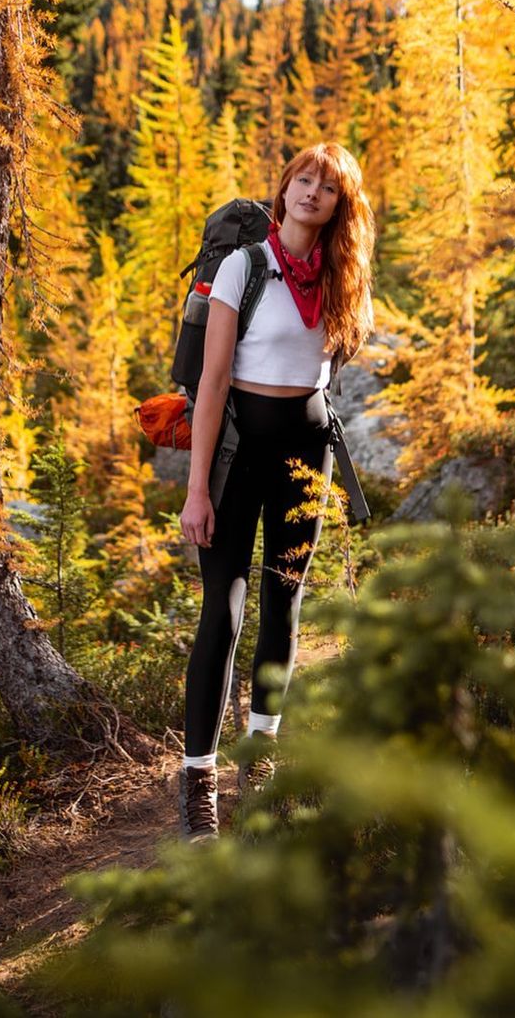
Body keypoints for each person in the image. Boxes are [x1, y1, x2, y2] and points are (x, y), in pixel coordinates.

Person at [177, 142, 376, 840]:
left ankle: (258, 765)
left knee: (283, 606)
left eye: (326, 187)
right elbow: (210, 383)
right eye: (303, 179)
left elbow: (334, 359)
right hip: (236, 454)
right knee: (222, 617)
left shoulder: (346, 278)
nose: (311, 192)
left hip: (307, 451)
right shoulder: (244, 264)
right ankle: (198, 781)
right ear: (284, 186)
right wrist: (196, 488)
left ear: (338, 205)